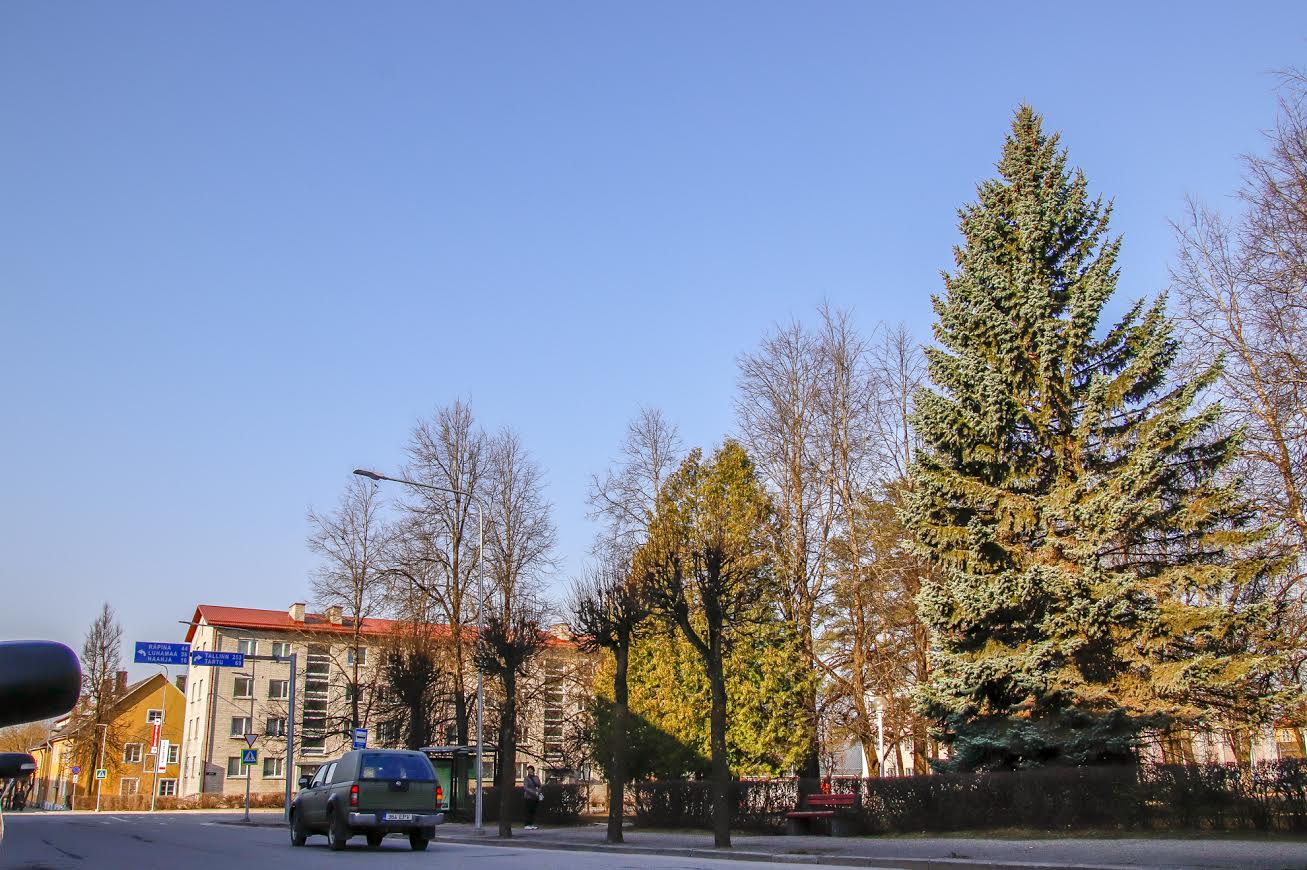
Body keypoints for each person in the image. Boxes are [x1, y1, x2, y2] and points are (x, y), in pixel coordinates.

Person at [522, 765, 543, 830]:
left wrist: (538, 792)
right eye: (528, 770)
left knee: (533, 811)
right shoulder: (526, 778)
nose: (529, 771)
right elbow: (526, 788)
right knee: (528, 811)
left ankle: (531, 824)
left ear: (533, 770)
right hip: (528, 797)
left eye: (530, 769)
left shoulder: (536, 777)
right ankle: (527, 824)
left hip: (535, 797)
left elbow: (539, 785)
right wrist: (534, 792)